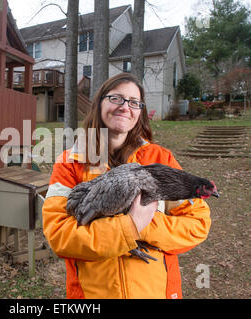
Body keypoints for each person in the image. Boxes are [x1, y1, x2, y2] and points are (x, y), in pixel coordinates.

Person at [42, 72, 211, 299]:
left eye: (134, 102)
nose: (125, 107)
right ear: (99, 103)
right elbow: (58, 236)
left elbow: (197, 224)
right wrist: (128, 226)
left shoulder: (160, 159)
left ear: (139, 112)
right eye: (116, 98)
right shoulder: (70, 162)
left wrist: (145, 225)